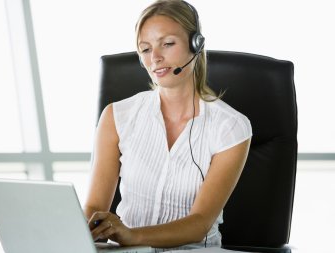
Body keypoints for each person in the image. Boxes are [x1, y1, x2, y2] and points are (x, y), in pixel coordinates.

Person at [84, 0, 252, 250]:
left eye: (168, 44)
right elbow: (95, 208)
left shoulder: (230, 127)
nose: (156, 58)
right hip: (129, 252)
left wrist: (132, 235)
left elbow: (199, 224)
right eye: (145, 49)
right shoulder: (117, 116)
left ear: (196, 45)